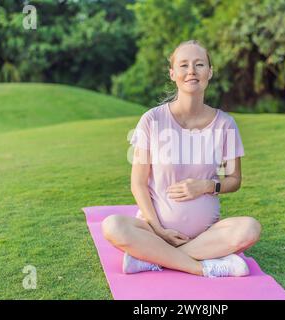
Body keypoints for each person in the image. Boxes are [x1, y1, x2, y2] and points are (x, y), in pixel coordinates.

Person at [101, 40, 261, 278]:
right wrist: (159, 230)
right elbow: (138, 183)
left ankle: (152, 258)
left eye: (199, 64)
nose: (191, 71)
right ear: (172, 73)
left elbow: (234, 179)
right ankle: (200, 266)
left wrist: (207, 185)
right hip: (153, 230)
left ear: (210, 72)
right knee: (112, 226)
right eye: (184, 65)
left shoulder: (225, 124)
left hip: (205, 236)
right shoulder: (152, 120)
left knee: (250, 228)